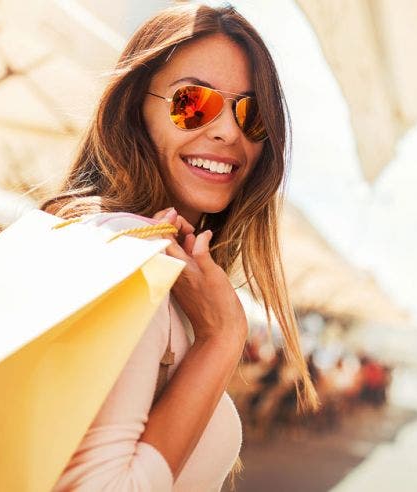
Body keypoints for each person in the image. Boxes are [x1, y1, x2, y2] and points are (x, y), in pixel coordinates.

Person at [40, 5, 319, 490]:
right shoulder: (126, 259)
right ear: (134, 109)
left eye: (251, 114)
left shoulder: (161, 272)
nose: (228, 131)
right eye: (193, 103)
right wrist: (221, 341)